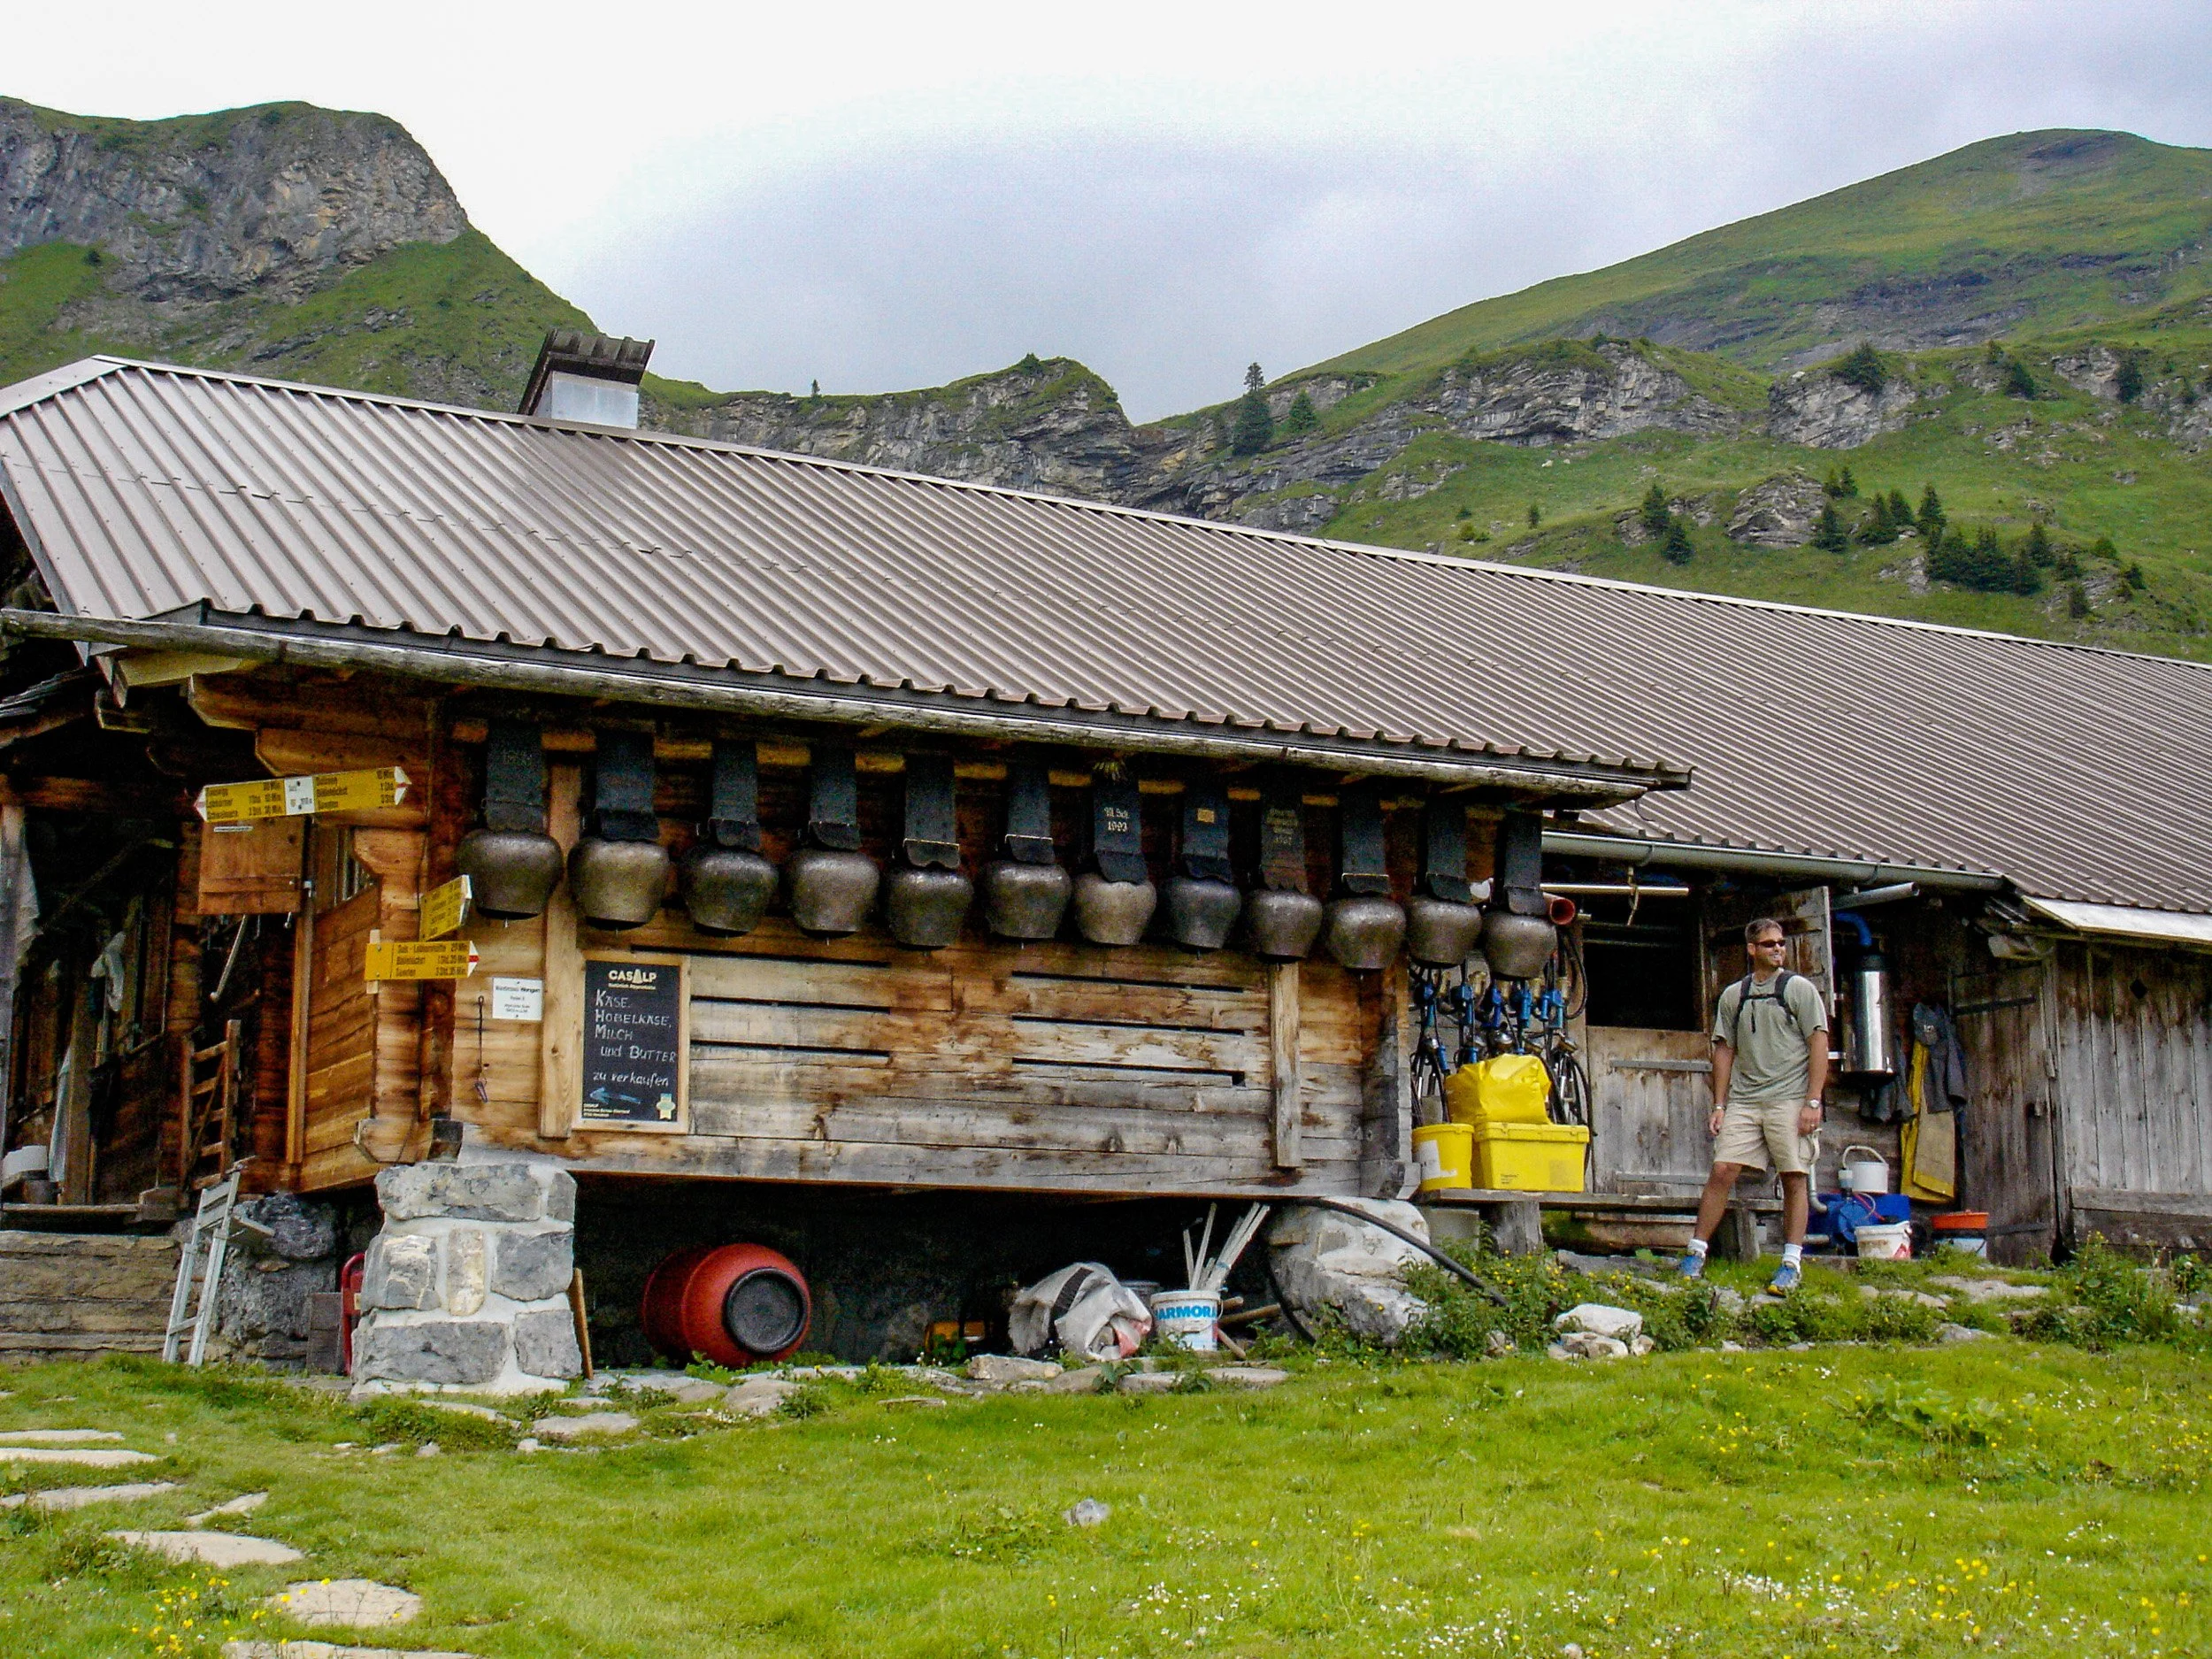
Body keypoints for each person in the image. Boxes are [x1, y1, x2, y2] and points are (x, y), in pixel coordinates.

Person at [1678, 917, 1829, 1292]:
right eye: (1768, 944)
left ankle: (1791, 1263)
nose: (1778, 949)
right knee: (1723, 1169)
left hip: (1790, 1098)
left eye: (1780, 943)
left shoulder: (1799, 989)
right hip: (1746, 1100)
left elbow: (1818, 1042)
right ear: (1751, 950)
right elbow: (1724, 1049)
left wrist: (1813, 1100)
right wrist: (1719, 1104)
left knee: (1794, 1176)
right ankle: (1696, 1253)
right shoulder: (1734, 995)